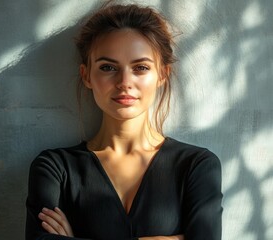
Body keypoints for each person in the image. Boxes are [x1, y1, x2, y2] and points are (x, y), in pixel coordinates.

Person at [25, 3, 222, 240]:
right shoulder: (55, 168)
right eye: (108, 67)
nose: (124, 82)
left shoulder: (197, 166)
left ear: (162, 74)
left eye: (140, 67)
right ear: (86, 75)